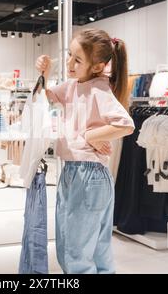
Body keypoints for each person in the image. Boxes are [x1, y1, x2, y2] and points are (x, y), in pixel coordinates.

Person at [35, 29, 135, 274]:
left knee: (74, 253)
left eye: (77, 60)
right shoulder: (72, 86)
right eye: (69, 55)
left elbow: (126, 125)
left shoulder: (99, 89)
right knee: (95, 252)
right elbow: (44, 98)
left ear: (98, 66)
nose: (69, 63)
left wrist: (89, 136)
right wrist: (44, 74)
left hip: (87, 175)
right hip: (81, 173)